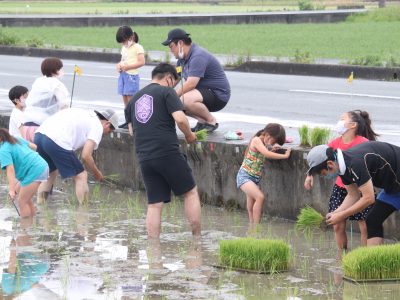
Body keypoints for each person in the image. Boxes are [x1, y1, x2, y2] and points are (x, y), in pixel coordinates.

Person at [125, 63, 201, 238]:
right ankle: (197, 239)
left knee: (154, 204)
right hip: (167, 152)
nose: (173, 85)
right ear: (168, 78)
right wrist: (189, 135)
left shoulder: (133, 100)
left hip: (144, 156)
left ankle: (154, 248)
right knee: (190, 192)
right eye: (174, 82)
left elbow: (131, 131)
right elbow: (180, 119)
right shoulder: (167, 92)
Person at [304, 110, 379, 258]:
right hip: (341, 187)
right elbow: (319, 159)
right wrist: (309, 175)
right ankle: (342, 256)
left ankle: (364, 257)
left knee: (365, 224)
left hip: (362, 187)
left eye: (342, 119)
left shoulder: (363, 143)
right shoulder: (335, 143)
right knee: (337, 223)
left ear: (352, 125)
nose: (339, 121)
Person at [306, 141, 400, 246]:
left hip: (396, 183)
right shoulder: (342, 167)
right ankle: (375, 260)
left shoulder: (355, 163)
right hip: (393, 188)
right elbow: (353, 195)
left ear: (330, 164)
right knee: (373, 221)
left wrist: (341, 215)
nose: (324, 176)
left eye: (323, 173)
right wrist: (336, 213)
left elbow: (369, 198)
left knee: (373, 220)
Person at [33, 108, 118, 204]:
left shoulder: (85, 114)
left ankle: (41, 206)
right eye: (110, 131)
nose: (107, 133)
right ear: (107, 123)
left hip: (39, 136)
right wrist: (96, 173)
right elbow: (86, 155)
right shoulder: (98, 126)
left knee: (50, 173)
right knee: (81, 175)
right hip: (56, 140)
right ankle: (84, 211)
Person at [162, 28, 231, 133]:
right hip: (202, 93)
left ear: (180, 43)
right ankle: (202, 121)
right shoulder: (181, 60)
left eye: (171, 47)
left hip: (218, 94)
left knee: (183, 100)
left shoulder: (197, 56)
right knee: (176, 103)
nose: (170, 51)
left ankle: (211, 121)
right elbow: (175, 79)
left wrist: (173, 96)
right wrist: (159, 92)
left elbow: (191, 84)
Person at [236, 123, 291, 224]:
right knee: (260, 197)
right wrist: (285, 156)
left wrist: (271, 149)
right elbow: (266, 154)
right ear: (268, 135)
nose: (272, 144)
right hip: (244, 176)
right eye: (273, 142)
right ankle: (256, 228)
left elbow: (264, 152)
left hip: (254, 178)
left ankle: (251, 226)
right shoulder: (256, 140)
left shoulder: (264, 143)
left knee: (252, 201)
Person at [0, 128, 49, 218]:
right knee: (23, 195)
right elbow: (34, 146)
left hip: (35, 170)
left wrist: (11, 190)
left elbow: (10, 170)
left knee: (22, 202)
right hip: (40, 164)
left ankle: (25, 229)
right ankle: (32, 223)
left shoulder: (3, 150)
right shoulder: (14, 138)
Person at [22, 57, 69, 142]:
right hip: (42, 128)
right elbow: (64, 106)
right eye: (60, 69)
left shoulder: (38, 81)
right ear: (55, 70)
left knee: (31, 154)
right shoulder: (56, 84)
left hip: (26, 126)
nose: (62, 71)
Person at [116, 25, 145, 129]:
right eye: (122, 42)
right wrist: (119, 65)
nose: (123, 44)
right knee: (124, 97)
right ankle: (128, 121)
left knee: (131, 99)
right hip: (123, 75)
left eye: (124, 41)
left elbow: (142, 62)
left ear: (131, 37)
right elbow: (122, 59)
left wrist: (128, 67)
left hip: (132, 76)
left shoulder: (138, 47)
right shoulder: (124, 48)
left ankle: (134, 122)